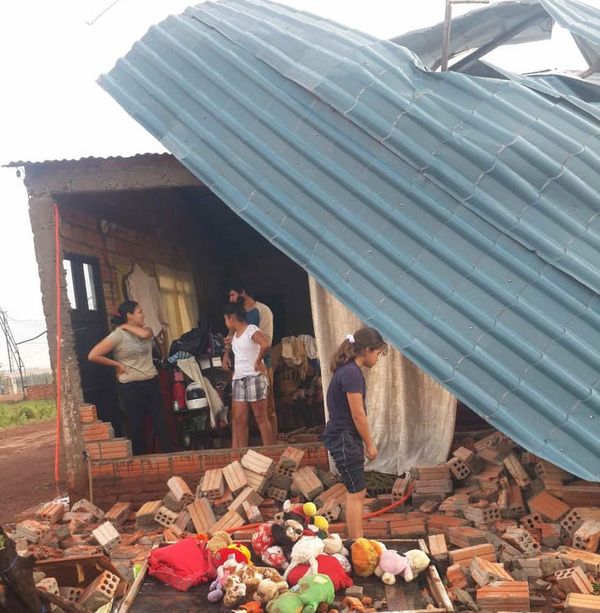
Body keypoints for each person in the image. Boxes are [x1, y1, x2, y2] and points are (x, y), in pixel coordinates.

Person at [322, 327, 388, 540]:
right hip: (344, 437)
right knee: (356, 493)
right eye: (377, 353)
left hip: (343, 436)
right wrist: (370, 444)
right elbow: (358, 414)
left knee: (356, 491)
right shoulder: (351, 374)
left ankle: (357, 540)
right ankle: (357, 543)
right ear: (367, 350)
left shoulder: (346, 370)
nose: (377, 359)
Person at [88, 300, 171, 455]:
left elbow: (146, 334)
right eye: (139, 312)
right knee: (137, 425)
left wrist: (126, 325)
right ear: (129, 315)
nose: (143, 315)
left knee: (161, 421)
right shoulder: (117, 336)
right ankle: (140, 459)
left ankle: (169, 456)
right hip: (131, 386)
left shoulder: (146, 329)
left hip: (151, 381)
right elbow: (93, 355)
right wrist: (117, 365)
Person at [224, 285, 278, 438]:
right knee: (240, 417)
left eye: (233, 294)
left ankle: (271, 446)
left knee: (267, 412)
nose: (231, 299)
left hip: (260, 367)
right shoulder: (235, 314)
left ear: (243, 292)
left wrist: (259, 360)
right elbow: (232, 336)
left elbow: (266, 340)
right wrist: (227, 354)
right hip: (241, 372)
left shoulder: (262, 311)